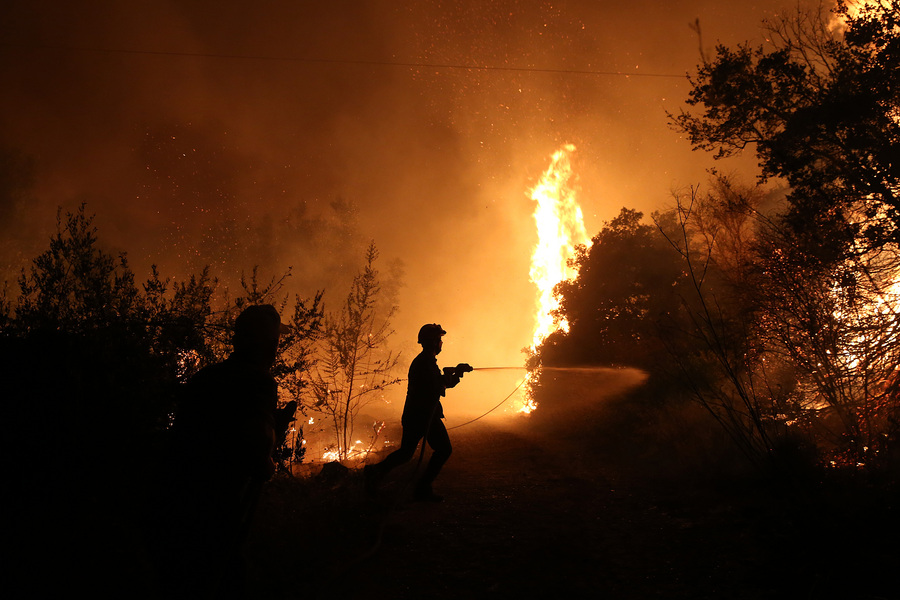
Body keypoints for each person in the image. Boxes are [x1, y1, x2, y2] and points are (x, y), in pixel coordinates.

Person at [162, 304, 294, 598]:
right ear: (270, 345)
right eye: (275, 341)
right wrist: (273, 440)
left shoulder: (205, 378)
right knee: (225, 572)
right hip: (219, 497)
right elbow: (256, 451)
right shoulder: (259, 382)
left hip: (176, 492)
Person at [365, 323, 471, 502]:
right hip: (422, 415)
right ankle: (421, 489)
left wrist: (455, 374)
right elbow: (437, 386)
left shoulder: (426, 361)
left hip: (418, 415)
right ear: (432, 342)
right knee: (443, 449)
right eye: (439, 340)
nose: (441, 343)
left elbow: (440, 383)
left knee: (406, 453)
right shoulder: (424, 363)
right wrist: (455, 373)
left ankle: (374, 473)